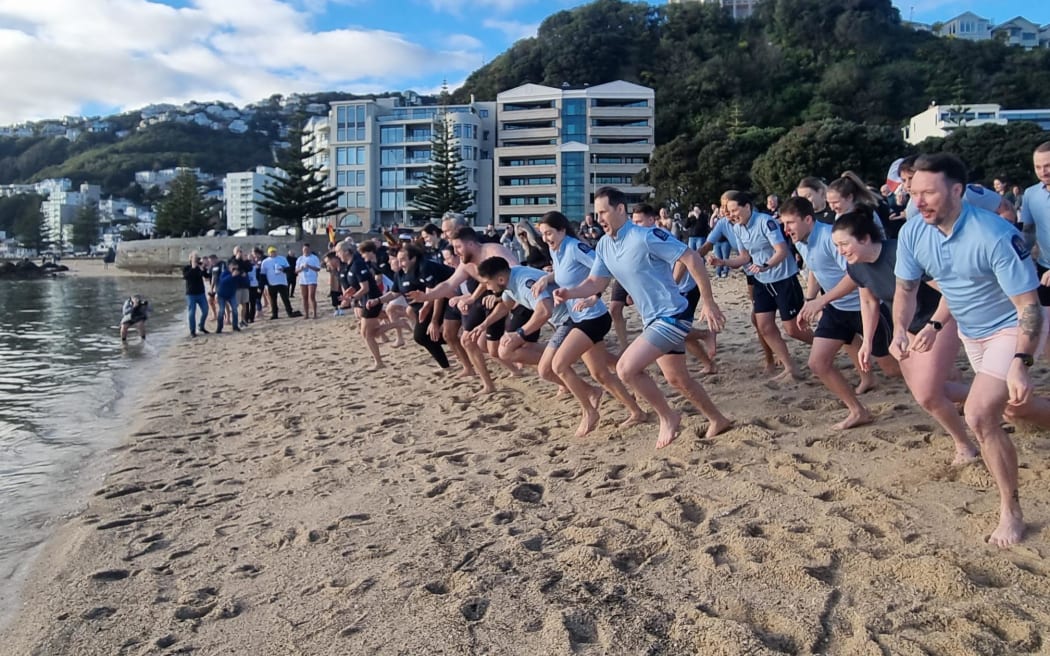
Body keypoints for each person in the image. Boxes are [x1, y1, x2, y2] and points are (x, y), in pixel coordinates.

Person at [894, 153, 1045, 548]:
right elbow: (907, 289)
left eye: (929, 192)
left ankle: (1011, 511)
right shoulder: (914, 232)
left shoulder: (993, 234)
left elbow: (1029, 308)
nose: (919, 200)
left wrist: (1021, 362)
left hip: (1009, 327)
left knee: (980, 415)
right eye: (914, 192)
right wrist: (901, 329)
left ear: (957, 191)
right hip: (971, 333)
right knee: (1016, 408)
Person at [555, 186, 732, 449]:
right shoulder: (604, 244)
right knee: (677, 379)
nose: (599, 217)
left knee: (626, 368)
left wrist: (708, 301)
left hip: (673, 313)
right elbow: (595, 281)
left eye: (603, 212)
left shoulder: (646, 236)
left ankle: (668, 416)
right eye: (596, 212)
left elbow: (691, 257)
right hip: (652, 318)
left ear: (620, 209)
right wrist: (570, 292)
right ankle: (718, 419)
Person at [831, 209, 979, 463]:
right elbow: (868, 303)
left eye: (845, 243)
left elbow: (949, 289)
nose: (841, 250)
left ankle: (965, 446)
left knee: (927, 394)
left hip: (940, 318)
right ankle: (994, 396)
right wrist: (867, 342)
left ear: (865, 238)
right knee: (929, 392)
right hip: (906, 326)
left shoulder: (901, 253)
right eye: (837, 246)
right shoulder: (857, 267)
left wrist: (934, 325)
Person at [780, 197, 900, 430]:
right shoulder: (801, 241)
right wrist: (811, 299)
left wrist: (822, 300)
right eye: (783, 223)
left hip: (864, 306)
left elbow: (855, 276)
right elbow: (815, 269)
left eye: (790, 223)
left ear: (808, 219)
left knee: (893, 369)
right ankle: (858, 411)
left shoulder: (830, 238)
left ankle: (948, 381)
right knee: (818, 363)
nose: (786, 229)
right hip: (837, 309)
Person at [535, 211, 647, 435]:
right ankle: (637, 412)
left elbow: (604, 269)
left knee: (559, 365)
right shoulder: (554, 249)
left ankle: (589, 411)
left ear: (562, 230)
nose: (546, 238)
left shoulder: (575, 247)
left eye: (549, 233)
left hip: (594, 317)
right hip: (578, 318)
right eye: (543, 234)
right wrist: (546, 278)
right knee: (600, 374)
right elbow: (561, 273)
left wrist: (594, 296)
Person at [709, 190, 811, 381]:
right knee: (763, 326)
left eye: (734, 210)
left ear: (747, 206)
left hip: (783, 279)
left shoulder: (765, 221)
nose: (731, 215)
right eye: (728, 212)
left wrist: (766, 265)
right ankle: (790, 368)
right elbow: (744, 257)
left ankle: (827, 344)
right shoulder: (738, 228)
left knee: (793, 329)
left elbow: (781, 251)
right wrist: (722, 262)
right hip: (762, 281)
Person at [407, 227, 521, 395]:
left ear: (471, 244)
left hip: (510, 299)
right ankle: (488, 385)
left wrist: (498, 297)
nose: (455, 251)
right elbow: (448, 284)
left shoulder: (493, 251)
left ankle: (540, 368)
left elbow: (516, 274)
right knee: (468, 340)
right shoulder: (466, 263)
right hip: (486, 299)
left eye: (458, 247)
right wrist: (426, 296)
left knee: (498, 348)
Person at [1020, 141, 1050, 310]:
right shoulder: (1031, 194)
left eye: (1048, 166)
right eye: (1038, 167)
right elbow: (1028, 232)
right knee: (1044, 324)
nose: (1043, 172)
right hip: (1043, 267)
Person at [261, 246, 296, 319]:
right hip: (271, 283)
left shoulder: (282, 259)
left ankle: (289, 312)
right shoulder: (265, 262)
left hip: (282, 282)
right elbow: (263, 273)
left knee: (285, 298)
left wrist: (283, 269)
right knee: (273, 300)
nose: (273, 253)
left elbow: (289, 268)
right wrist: (264, 283)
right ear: (269, 253)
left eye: (274, 251)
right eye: (271, 252)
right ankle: (275, 314)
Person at [182, 252, 209, 337]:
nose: (196, 260)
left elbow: (207, 276)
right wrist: (193, 268)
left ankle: (201, 326)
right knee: (191, 312)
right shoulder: (186, 268)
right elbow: (186, 276)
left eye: (197, 258)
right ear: (190, 259)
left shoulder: (199, 267)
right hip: (191, 294)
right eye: (194, 258)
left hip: (201, 293)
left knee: (205, 310)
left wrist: (204, 268)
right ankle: (192, 331)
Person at [216, 262, 247, 333]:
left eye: (236, 268)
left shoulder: (237, 273)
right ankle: (219, 327)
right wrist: (231, 276)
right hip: (222, 294)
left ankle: (235, 326)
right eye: (233, 268)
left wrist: (244, 276)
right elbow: (223, 281)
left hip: (231, 294)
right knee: (221, 311)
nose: (235, 269)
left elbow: (243, 282)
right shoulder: (224, 273)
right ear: (229, 267)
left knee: (235, 310)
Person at [295, 242, 322, 319]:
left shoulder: (314, 258)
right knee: (304, 297)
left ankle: (314, 313)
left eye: (307, 249)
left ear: (309, 249)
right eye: (304, 249)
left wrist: (309, 266)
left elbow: (318, 268)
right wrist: (301, 268)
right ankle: (306, 314)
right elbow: (296, 270)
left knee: (311, 296)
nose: (305, 251)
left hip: (312, 279)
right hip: (303, 280)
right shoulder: (300, 259)